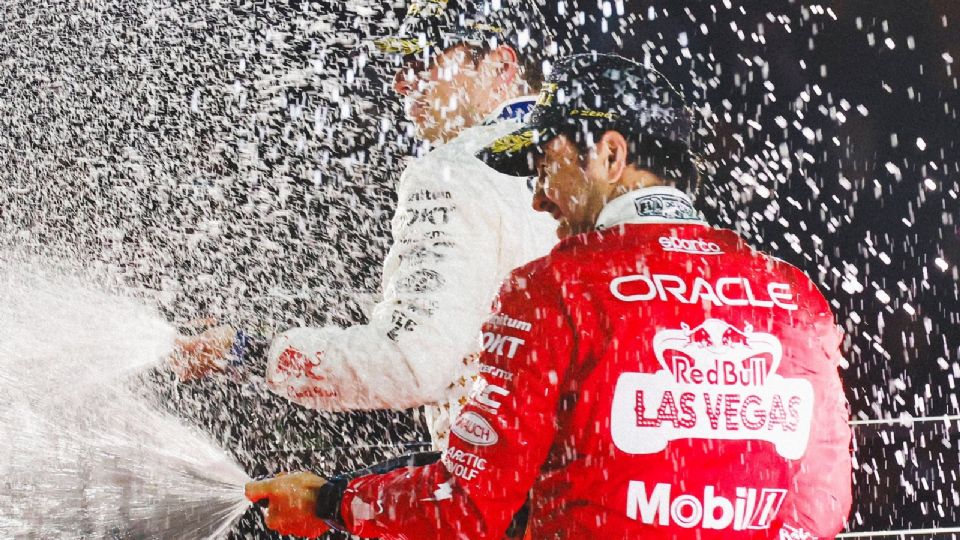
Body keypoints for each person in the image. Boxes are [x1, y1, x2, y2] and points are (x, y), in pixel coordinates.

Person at [245, 53, 853, 539]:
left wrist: (331, 500)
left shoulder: (553, 289)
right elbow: (822, 508)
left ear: (610, 155)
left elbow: (466, 511)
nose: (537, 198)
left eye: (544, 165)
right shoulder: (793, 295)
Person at [170, 0, 557, 455]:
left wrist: (247, 352)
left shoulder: (454, 172)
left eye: (423, 60)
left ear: (500, 66)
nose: (401, 82)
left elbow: (409, 364)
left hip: (505, 490)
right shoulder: (594, 164)